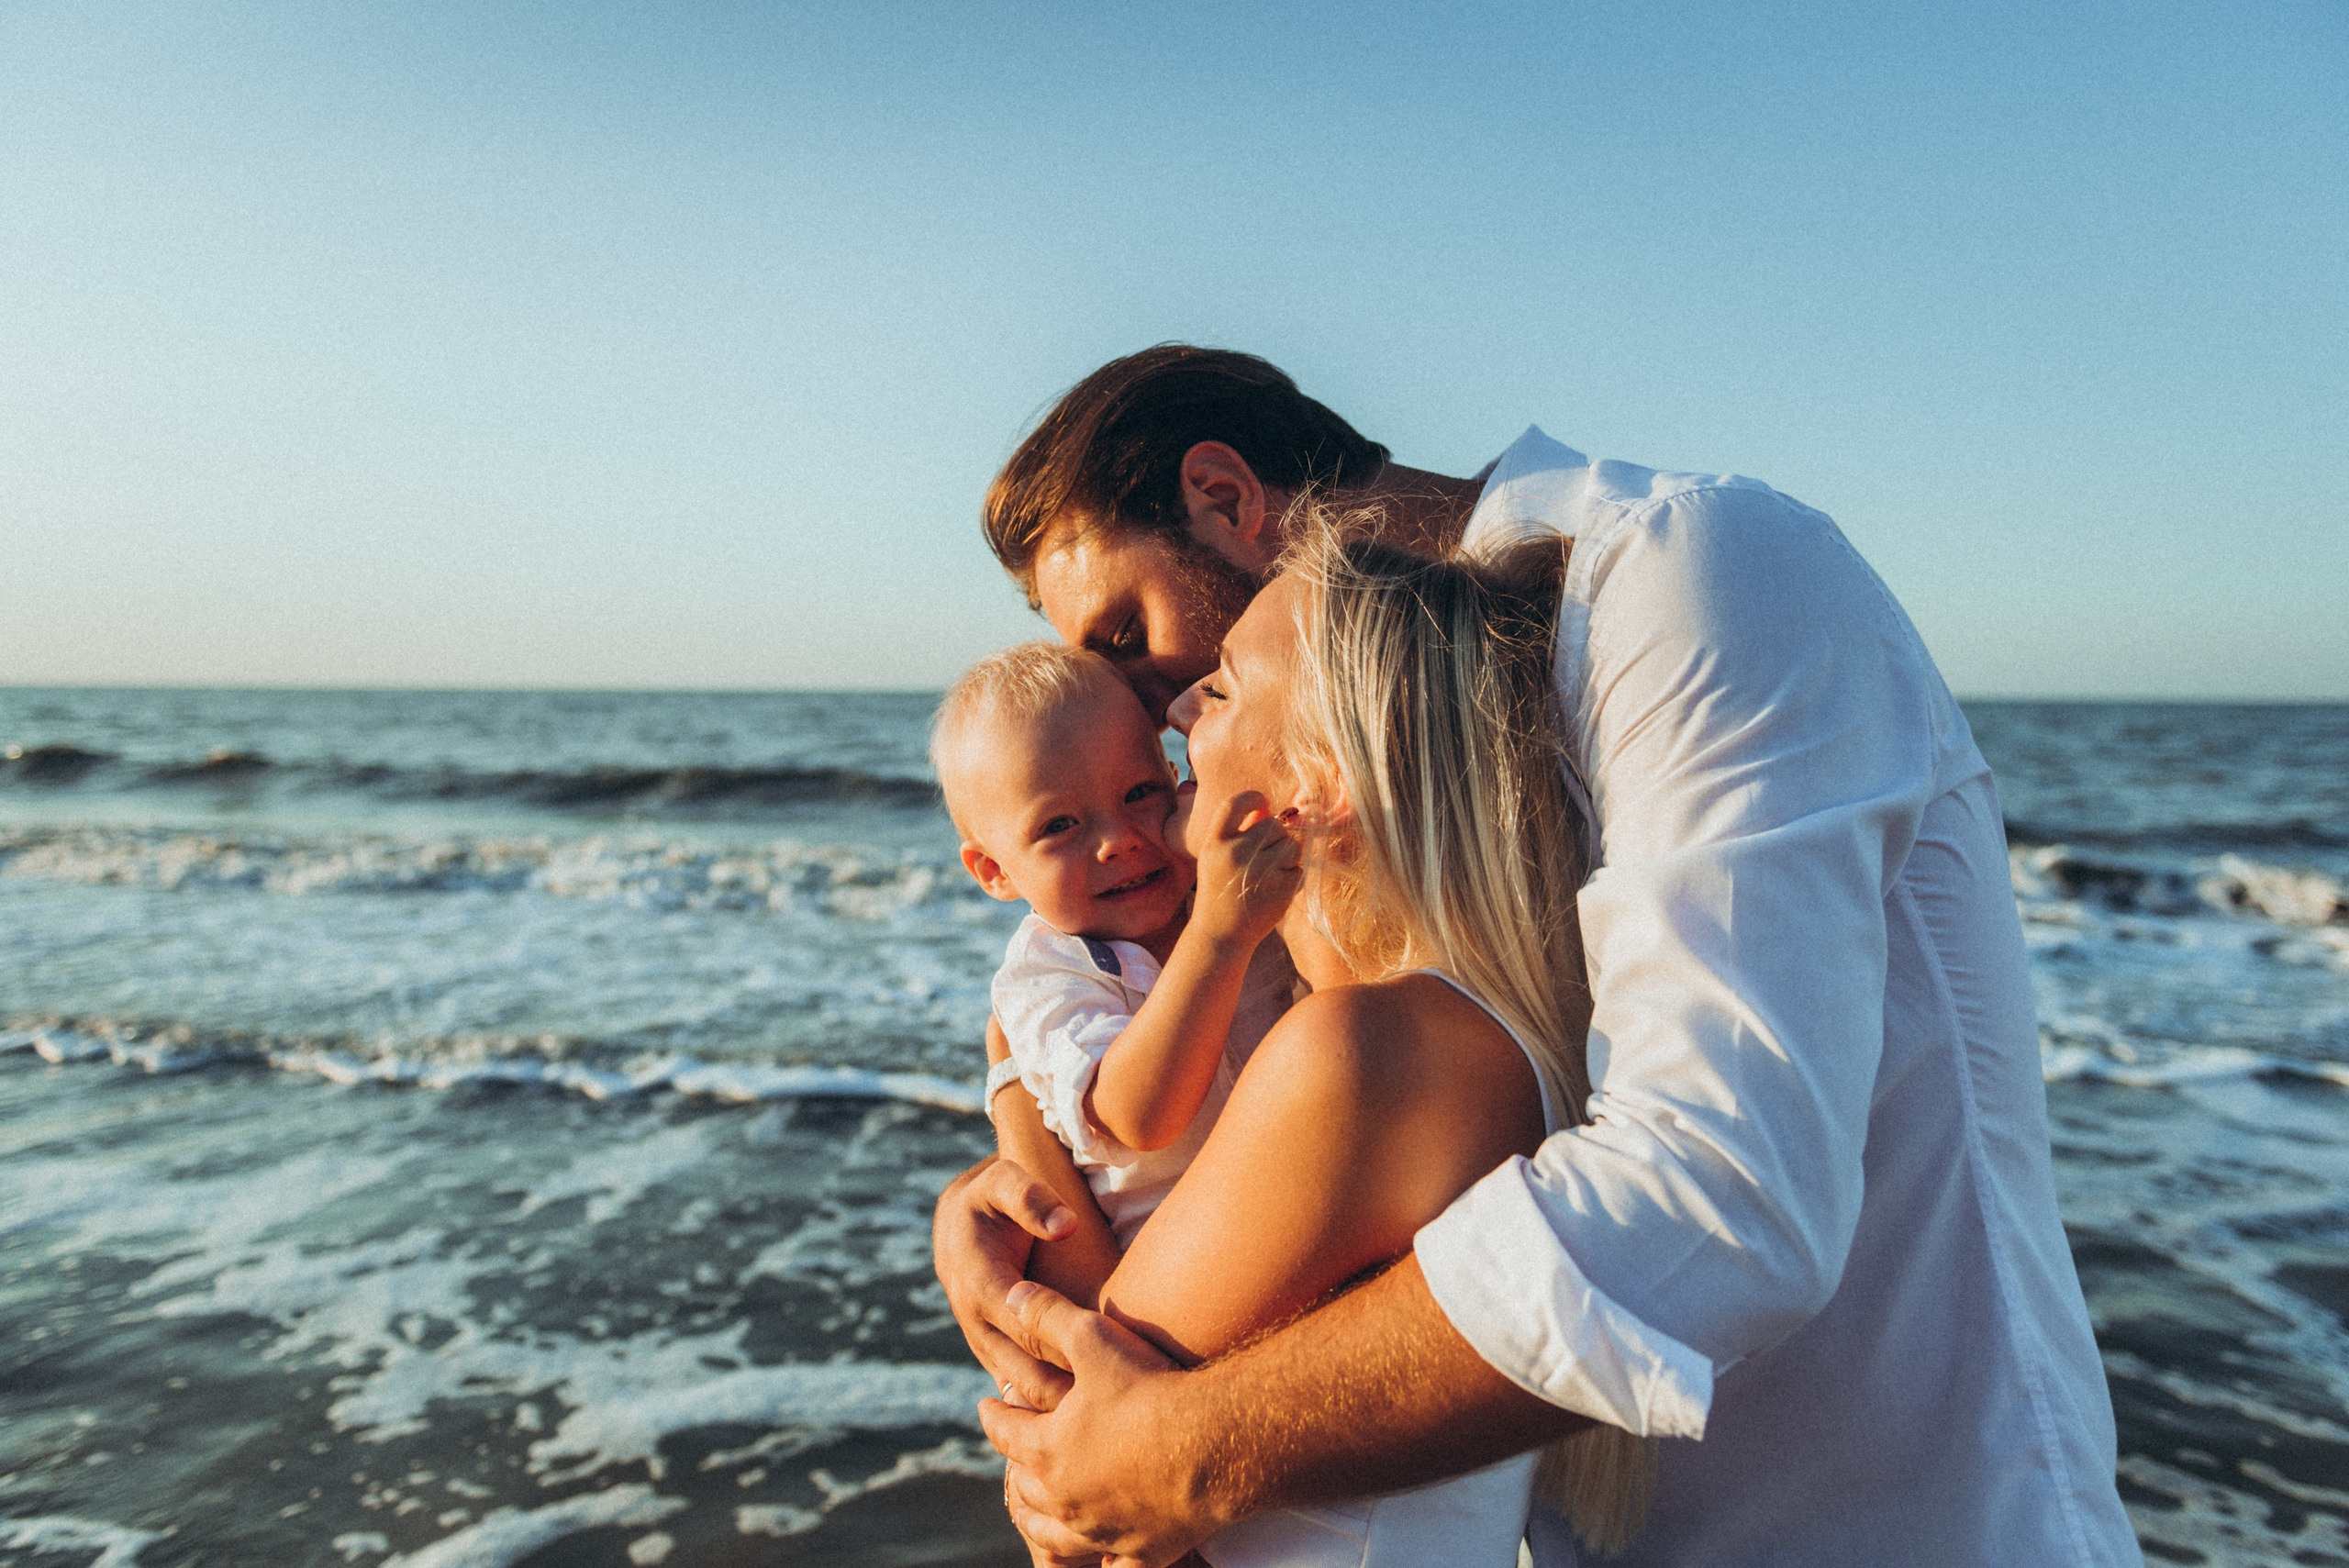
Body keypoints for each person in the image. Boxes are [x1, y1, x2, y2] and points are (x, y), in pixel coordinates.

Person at [935, 346, 2142, 1567]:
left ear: (1226, 498)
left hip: (1909, 1522)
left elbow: (1721, 1189)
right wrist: (1013, 1149)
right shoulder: (1401, 823)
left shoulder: (1685, 573)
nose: (1152, 714)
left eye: (1131, 637)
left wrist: (1180, 1447)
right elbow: (1161, 1048)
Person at [998, 521, 1655, 1565]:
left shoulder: (1364, 1053)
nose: (1169, 709)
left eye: (1217, 691)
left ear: (1315, 789)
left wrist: (1012, 1091)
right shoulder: (1466, 1032)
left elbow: (1071, 1463)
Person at [930, 641, 1299, 1260]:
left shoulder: (1225, 887)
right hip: (1187, 1265)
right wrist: (1218, 936)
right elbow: (1138, 1116)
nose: (1118, 841)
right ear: (994, 870)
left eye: (1139, 793)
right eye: (1059, 826)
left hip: (1311, 1201)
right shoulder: (1045, 975)